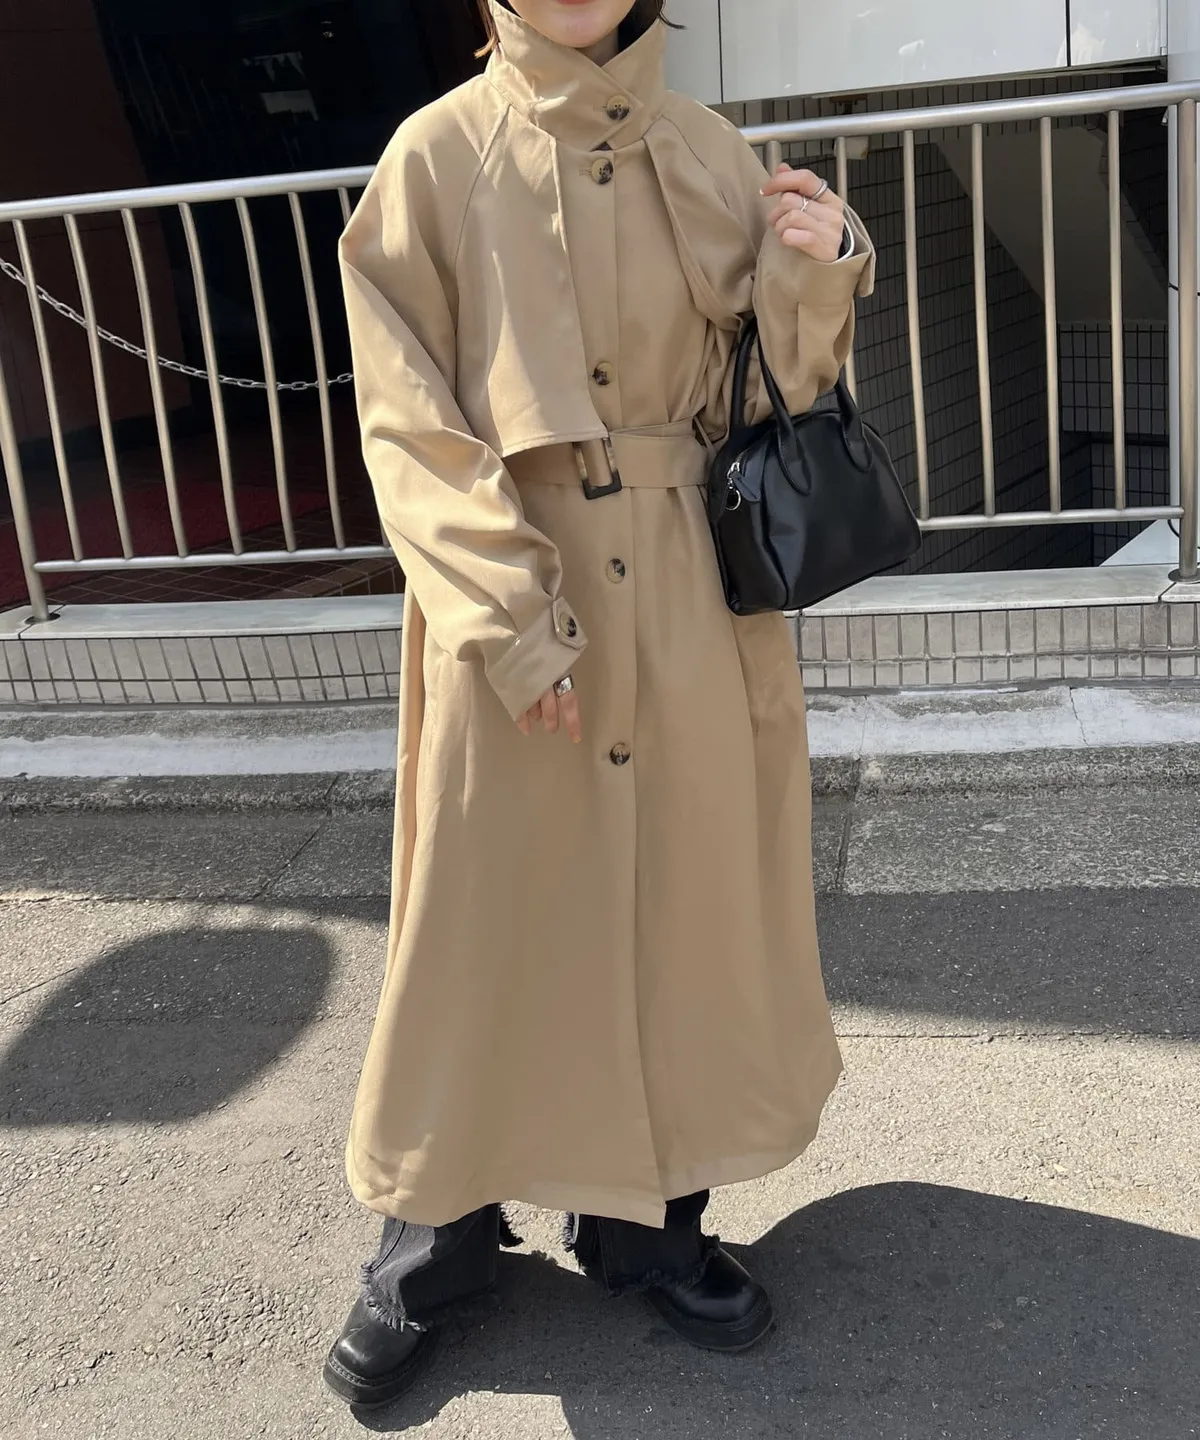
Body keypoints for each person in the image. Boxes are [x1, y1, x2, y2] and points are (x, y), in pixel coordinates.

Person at [324, 0, 874, 1409]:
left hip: (689, 601)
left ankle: (648, 1221)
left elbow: (780, 401)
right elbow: (407, 421)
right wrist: (512, 617)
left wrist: (817, 274)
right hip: (512, 589)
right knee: (483, 919)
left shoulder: (712, 151)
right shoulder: (434, 157)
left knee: (682, 911)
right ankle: (435, 1235)